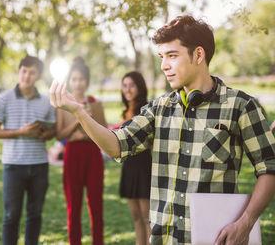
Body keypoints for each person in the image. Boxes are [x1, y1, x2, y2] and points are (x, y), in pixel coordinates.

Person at [49, 15, 275, 245]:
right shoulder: (158, 109)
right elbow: (116, 146)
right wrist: (79, 112)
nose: (164, 65)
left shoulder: (241, 106)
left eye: (172, 56)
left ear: (198, 54)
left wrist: (246, 222)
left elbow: (269, 167)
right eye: (161, 57)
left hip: (213, 240)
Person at [0, 55, 56, 245]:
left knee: (35, 215)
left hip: (40, 166)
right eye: (23, 71)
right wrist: (21, 131)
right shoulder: (3, 98)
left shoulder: (46, 101)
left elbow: (53, 131)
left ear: (38, 76)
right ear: (19, 72)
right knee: (11, 215)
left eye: (31, 72)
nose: (26, 76)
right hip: (13, 166)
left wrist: (45, 134)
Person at [55, 57, 107, 245]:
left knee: (96, 206)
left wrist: (88, 124)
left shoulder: (95, 103)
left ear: (87, 81)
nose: (78, 83)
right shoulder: (63, 105)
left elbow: (104, 133)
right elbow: (60, 133)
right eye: (74, 79)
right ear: (69, 81)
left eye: (81, 79)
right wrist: (80, 118)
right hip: (73, 154)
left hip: (92, 154)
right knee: (73, 207)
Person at [113, 71, 152, 245]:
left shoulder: (146, 110)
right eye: (124, 85)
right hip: (128, 166)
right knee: (135, 215)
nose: (127, 90)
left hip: (143, 166)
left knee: (146, 216)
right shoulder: (125, 111)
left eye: (131, 85)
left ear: (139, 87)